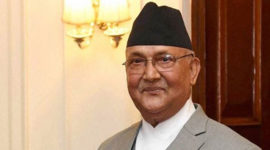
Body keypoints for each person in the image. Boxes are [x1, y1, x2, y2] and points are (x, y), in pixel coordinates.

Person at [98, 2, 261, 150]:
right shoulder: (110, 147)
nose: (150, 75)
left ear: (193, 70)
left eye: (164, 59)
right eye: (137, 61)